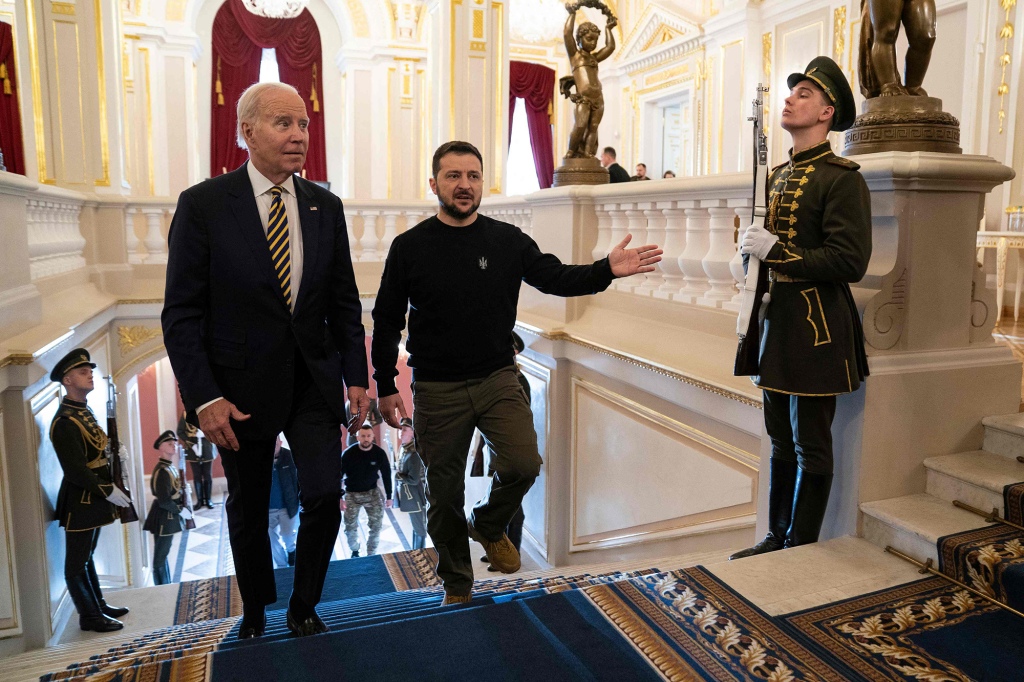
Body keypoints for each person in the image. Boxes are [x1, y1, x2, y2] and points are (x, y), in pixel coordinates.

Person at [371, 141, 662, 604]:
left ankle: (488, 522)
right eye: (452, 176)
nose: (463, 185)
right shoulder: (410, 247)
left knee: (524, 463)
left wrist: (605, 269)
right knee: (443, 497)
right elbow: (386, 320)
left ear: (481, 183)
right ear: (434, 184)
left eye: (472, 176)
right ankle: (457, 585)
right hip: (436, 387)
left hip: (496, 378)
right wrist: (385, 385)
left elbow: (557, 278)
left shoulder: (507, 242)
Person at [162, 81, 370, 639]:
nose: (299, 135)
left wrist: (358, 375)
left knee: (326, 493)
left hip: (313, 380)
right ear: (247, 132)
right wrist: (204, 397)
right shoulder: (203, 205)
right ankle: (255, 610)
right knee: (250, 508)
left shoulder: (325, 205)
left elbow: (344, 299)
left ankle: (305, 604)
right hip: (239, 389)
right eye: (284, 124)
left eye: (303, 124)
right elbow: (181, 315)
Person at [731, 56, 871, 560]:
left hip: (817, 326)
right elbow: (764, 243)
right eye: (792, 93)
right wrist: (746, 259)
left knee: (811, 442)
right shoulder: (777, 175)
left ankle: (802, 547)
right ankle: (776, 537)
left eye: (804, 94)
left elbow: (850, 261)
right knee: (779, 441)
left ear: (827, 112)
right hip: (776, 322)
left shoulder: (842, 178)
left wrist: (778, 252)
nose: (790, 99)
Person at [48, 348, 131, 632]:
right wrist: (107, 489)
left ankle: (98, 606)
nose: (90, 375)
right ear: (68, 380)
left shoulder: (84, 412)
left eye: (90, 371)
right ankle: (89, 616)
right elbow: (75, 471)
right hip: (82, 500)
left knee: (87, 555)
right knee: (75, 563)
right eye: (83, 372)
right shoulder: (65, 422)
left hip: (94, 497)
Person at [561, 7, 616, 158]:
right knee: (580, 125)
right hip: (583, 98)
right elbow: (567, 33)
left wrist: (608, 29)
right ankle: (571, 151)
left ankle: (588, 154)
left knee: (593, 128)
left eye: (595, 40)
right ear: (579, 39)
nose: (593, 43)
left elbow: (610, 47)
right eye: (589, 39)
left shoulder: (594, 58)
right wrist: (572, 13)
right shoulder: (575, 56)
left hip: (598, 98)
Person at [143, 430, 191, 585]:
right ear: (161, 448)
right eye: (170, 444)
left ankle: (166, 583)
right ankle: (162, 587)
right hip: (165, 517)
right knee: (160, 557)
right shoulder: (163, 471)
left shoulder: (169, 467)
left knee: (163, 555)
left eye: (175, 443)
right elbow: (164, 501)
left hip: (167, 515)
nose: (174, 446)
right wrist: (180, 511)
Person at [341, 425, 393, 557]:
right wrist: (340, 497)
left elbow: (386, 474)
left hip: (372, 492)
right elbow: (338, 477)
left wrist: (389, 496)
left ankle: (371, 554)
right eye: (363, 436)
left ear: (373, 437)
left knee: (376, 526)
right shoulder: (348, 454)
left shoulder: (379, 453)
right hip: (352, 494)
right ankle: (354, 550)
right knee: (349, 527)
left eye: (369, 436)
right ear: (357, 437)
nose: (366, 439)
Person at [394, 417, 427, 550]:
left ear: (412, 432)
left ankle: (420, 554)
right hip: (409, 494)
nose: (401, 432)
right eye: (401, 429)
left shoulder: (413, 453)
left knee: (419, 527)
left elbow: (414, 479)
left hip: (416, 494)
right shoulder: (404, 448)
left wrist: (398, 476)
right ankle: (415, 551)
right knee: (415, 526)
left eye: (405, 429)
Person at [269, 436, 300, 568]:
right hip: (269, 509)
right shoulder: (260, 460)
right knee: (270, 539)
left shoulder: (290, 456)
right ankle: (281, 565)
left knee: (288, 536)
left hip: (287, 507)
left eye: (275, 444)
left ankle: (291, 551)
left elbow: (298, 481)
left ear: (280, 443)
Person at [177, 411, 216, 509]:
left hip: (207, 446)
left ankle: (208, 500)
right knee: (197, 475)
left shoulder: (208, 410)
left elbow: (215, 426)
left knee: (207, 475)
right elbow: (180, 431)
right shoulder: (186, 414)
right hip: (192, 448)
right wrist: (191, 444)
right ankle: (199, 501)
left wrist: (205, 433)